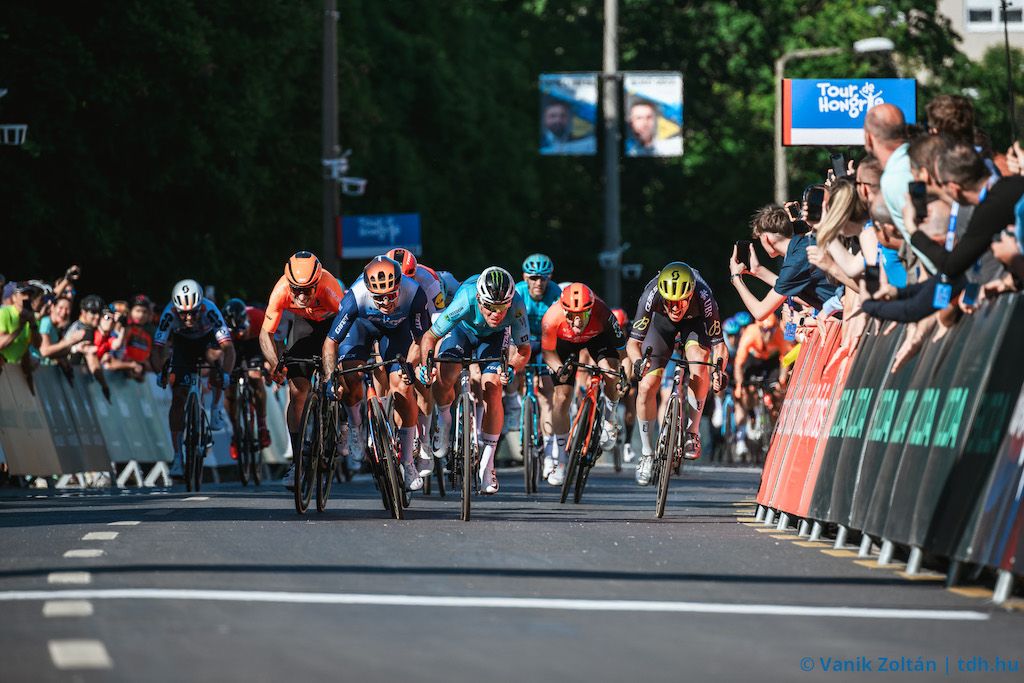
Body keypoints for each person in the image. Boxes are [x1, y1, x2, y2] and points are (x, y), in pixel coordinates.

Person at [417, 267, 531, 495]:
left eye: (501, 307)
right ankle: (444, 417)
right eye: (490, 307)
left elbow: (524, 349)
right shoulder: (465, 298)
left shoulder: (516, 305)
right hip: (462, 330)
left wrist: (511, 368)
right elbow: (430, 336)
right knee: (446, 373)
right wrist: (425, 365)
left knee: (493, 385)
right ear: (479, 299)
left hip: (494, 338)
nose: (496, 314)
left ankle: (488, 465)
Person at [323, 256, 431, 490]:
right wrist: (330, 377)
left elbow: (422, 339)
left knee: (402, 387)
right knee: (350, 377)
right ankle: (355, 425)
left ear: (400, 285)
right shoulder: (355, 296)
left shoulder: (414, 293)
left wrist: (411, 366)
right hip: (361, 327)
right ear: (368, 290)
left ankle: (408, 463)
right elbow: (331, 342)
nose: (385, 302)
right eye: (378, 297)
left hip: (396, 332)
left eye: (391, 295)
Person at [626, 263, 727, 486]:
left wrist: (719, 370)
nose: (675, 307)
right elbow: (633, 343)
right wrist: (637, 362)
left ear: (691, 294)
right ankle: (646, 453)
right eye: (669, 302)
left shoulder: (704, 295)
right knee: (646, 385)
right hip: (661, 328)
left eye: (681, 300)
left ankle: (692, 432)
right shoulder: (650, 296)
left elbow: (719, 346)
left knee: (700, 367)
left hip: (695, 324)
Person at [259, 251, 345, 490]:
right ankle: (297, 463)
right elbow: (265, 333)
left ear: (317, 283)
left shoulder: (329, 289)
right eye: (296, 289)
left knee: (341, 371)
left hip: (332, 326)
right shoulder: (281, 290)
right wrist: (275, 362)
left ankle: (343, 420)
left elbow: (349, 327)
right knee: (297, 392)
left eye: (308, 290)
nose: (301, 295)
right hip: (304, 327)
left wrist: (338, 366)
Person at [540, 283, 626, 485]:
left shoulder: (603, 312)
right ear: (563, 310)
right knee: (561, 398)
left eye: (583, 314)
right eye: (571, 314)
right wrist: (560, 368)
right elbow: (548, 353)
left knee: (611, 372)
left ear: (591, 309)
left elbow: (622, 351)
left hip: (597, 338)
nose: (577, 320)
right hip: (564, 343)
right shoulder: (551, 318)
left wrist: (623, 375)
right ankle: (561, 460)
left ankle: (610, 418)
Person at [151, 279, 235, 478]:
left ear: (200, 307)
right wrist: (159, 372)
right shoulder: (169, 313)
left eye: (193, 312)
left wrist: (225, 374)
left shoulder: (210, 310)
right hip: (183, 344)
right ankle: (178, 457)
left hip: (207, 341)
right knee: (178, 398)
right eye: (183, 313)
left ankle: (216, 409)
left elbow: (229, 349)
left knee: (217, 361)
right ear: (176, 308)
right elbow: (157, 349)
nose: (188, 317)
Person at [730, 205, 838, 319]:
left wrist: (736, 278)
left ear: (766, 238)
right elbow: (803, 298)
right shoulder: (803, 246)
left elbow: (760, 312)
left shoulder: (795, 262)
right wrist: (758, 271)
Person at [515, 253, 562, 478]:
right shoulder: (517, 291)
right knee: (511, 363)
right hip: (522, 339)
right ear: (525, 277)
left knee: (546, 395)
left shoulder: (556, 294)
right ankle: (514, 402)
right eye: (533, 278)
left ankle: (548, 451)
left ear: (550, 278)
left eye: (543, 278)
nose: (538, 283)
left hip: (546, 342)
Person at [732, 315, 790, 457]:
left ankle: (775, 427)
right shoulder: (750, 333)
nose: (768, 333)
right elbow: (739, 365)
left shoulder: (780, 334)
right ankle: (745, 428)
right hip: (753, 361)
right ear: (759, 328)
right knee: (746, 392)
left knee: (777, 393)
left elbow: (785, 360)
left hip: (771, 361)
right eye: (764, 330)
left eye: (771, 330)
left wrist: (782, 381)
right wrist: (740, 385)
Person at [222, 298, 272, 460]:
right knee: (229, 385)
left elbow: (270, 343)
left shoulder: (258, 317)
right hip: (232, 348)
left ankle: (262, 426)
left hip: (255, 343)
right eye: (237, 331)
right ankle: (236, 432)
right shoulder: (223, 329)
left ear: (247, 320)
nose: (241, 333)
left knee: (255, 376)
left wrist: (269, 364)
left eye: (243, 329)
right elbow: (221, 354)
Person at [0, 282, 41, 365]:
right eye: (23, 293)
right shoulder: (4, 313)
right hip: (3, 366)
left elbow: (37, 345)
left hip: (16, 369)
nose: (27, 297)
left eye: (30, 294)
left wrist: (33, 325)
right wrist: (20, 327)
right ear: (14, 297)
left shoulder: (31, 317)